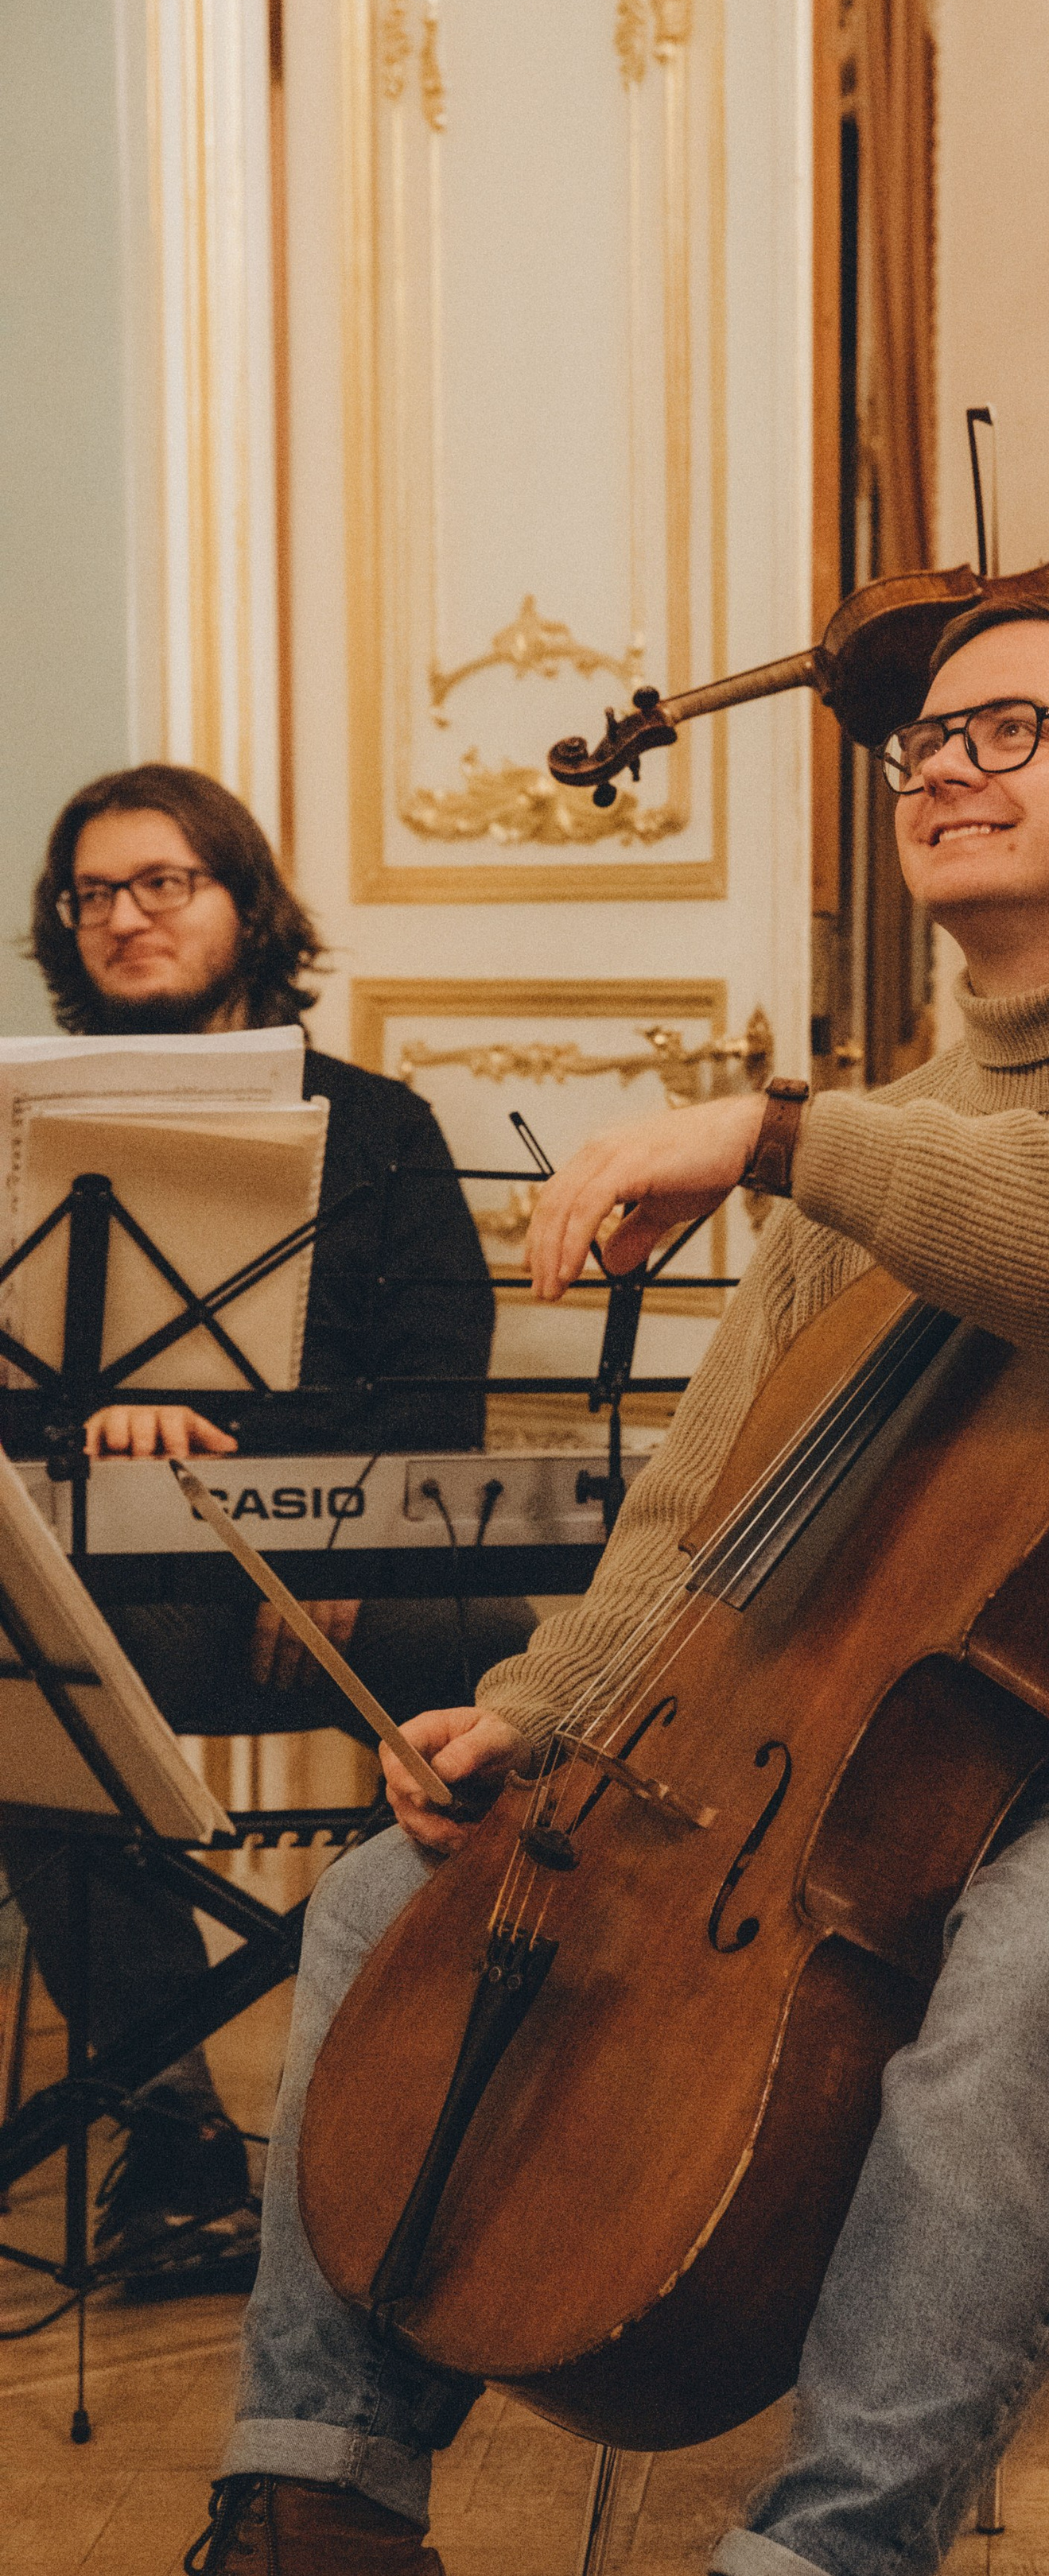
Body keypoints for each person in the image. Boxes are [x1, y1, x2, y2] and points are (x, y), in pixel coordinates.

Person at [22, 600, 1049, 2576]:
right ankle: (330, 2554)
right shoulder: (889, 1126)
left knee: (1029, 1965)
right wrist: (525, 1714)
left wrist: (793, 1135)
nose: (942, 765)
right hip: (846, 1756)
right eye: (921, 746)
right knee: (398, 1890)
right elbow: (706, 1512)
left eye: (1009, 730)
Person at [0, 765, 525, 2285]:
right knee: (24, 1691)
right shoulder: (24, 1133)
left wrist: (286, 1518)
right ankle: (171, 2138)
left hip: (356, 1575)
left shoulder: (377, 1128)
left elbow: (436, 1408)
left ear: (245, 901)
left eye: (163, 883)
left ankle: (405, 2125)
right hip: (121, 1585)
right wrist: (95, 1421)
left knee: (498, 1663)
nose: (124, 917)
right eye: (93, 893)